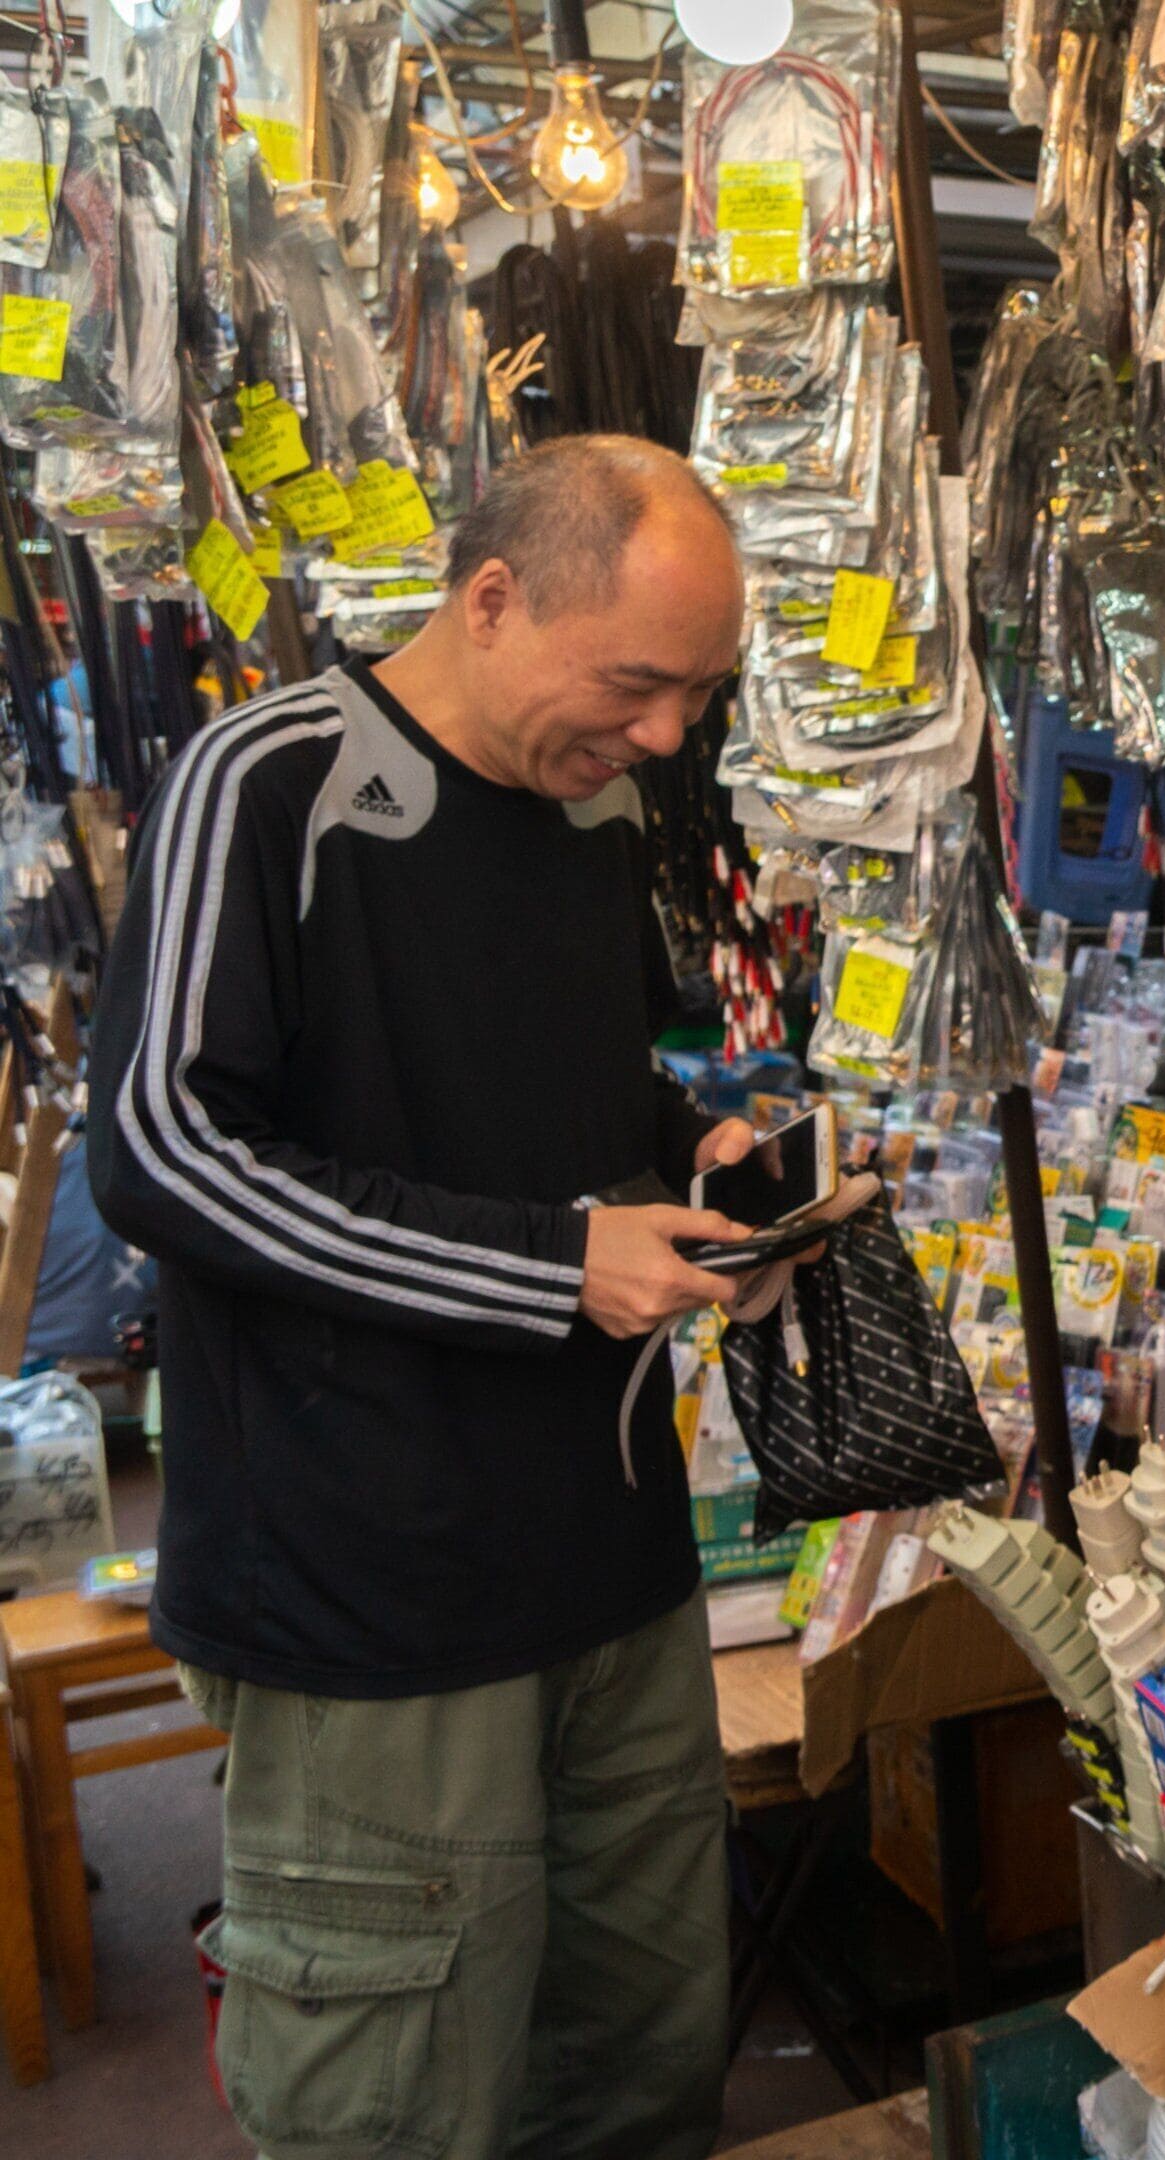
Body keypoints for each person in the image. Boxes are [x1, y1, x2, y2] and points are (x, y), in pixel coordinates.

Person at [88, 435, 772, 2160]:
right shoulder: (266, 779)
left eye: (698, 696)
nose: (666, 738)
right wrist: (556, 1266)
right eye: (637, 684)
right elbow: (164, 1150)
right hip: (370, 1601)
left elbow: (579, 1113)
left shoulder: (594, 810)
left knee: (643, 2062)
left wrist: (705, 1163)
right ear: (489, 598)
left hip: (612, 1568)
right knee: (395, 2110)